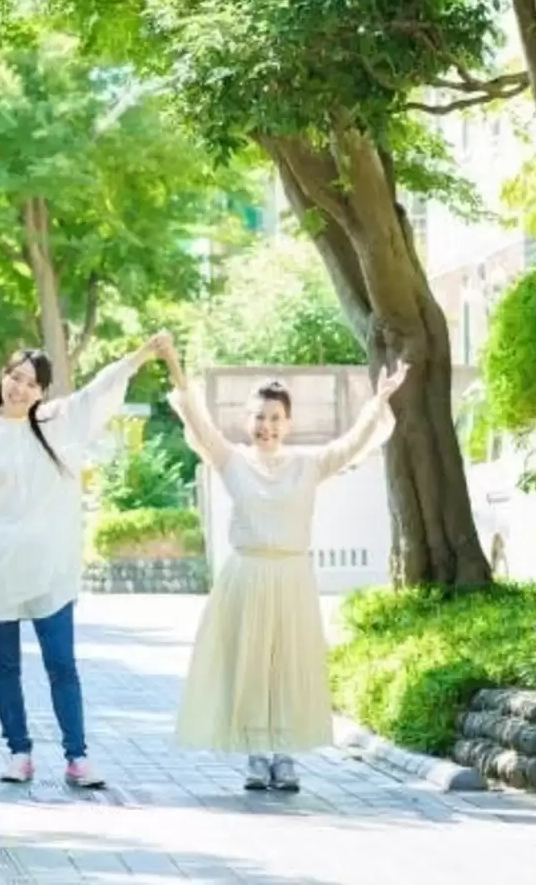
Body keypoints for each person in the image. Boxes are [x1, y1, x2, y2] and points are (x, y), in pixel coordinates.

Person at [0, 337, 166, 788]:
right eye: (15, 377)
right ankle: (18, 751)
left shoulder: (55, 424)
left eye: (31, 383)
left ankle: (77, 756)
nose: (20, 387)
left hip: (47, 567)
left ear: (42, 391)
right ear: (1, 378)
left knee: (61, 663)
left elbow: (96, 391)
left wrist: (141, 354)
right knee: (5, 666)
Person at [158, 334, 407, 792]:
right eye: (259, 417)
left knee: (289, 663)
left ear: (288, 423)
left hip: (292, 575)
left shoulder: (308, 464)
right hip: (247, 575)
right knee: (251, 663)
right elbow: (195, 415)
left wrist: (379, 400)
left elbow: (353, 443)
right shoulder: (230, 460)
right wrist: (172, 359)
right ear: (246, 420)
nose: (266, 426)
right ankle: (257, 753)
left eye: (275, 418)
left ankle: (285, 753)